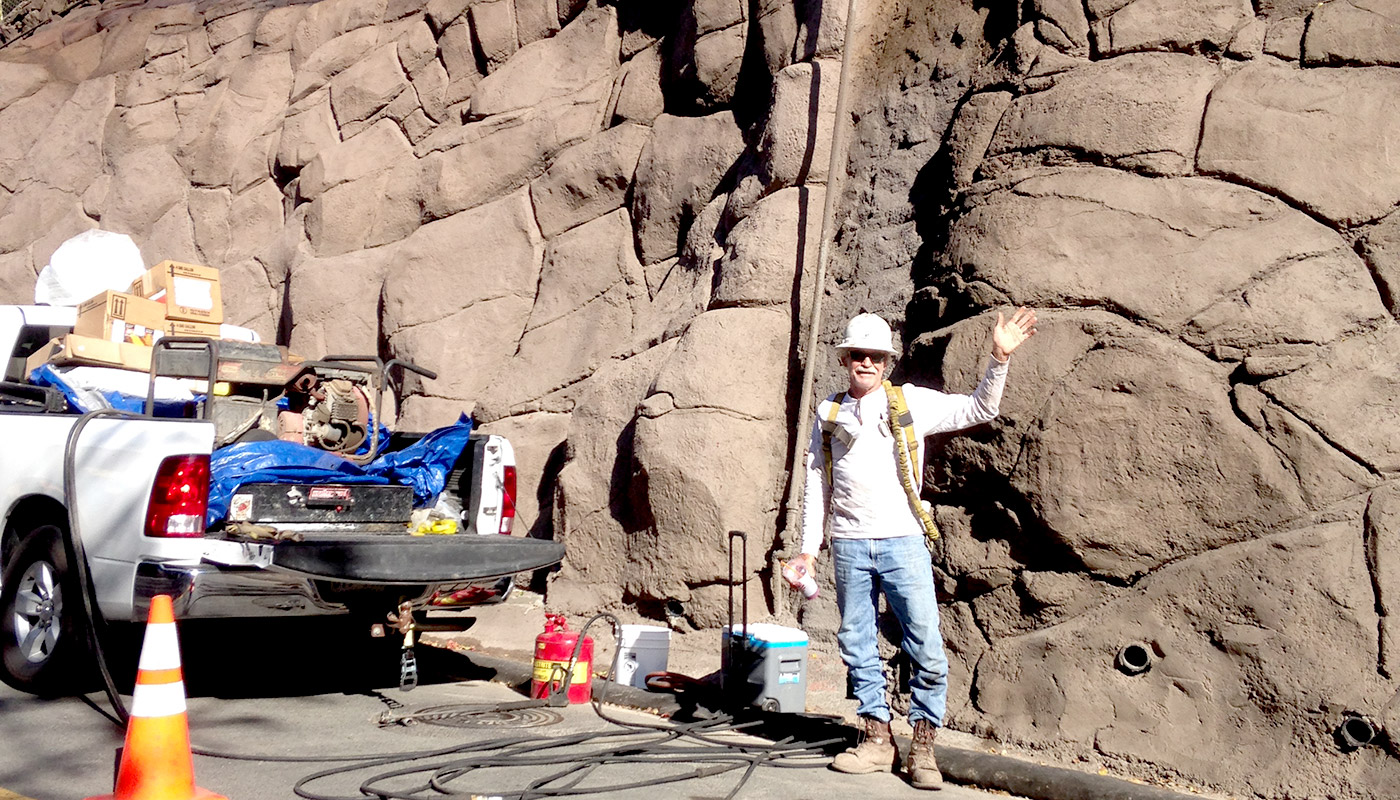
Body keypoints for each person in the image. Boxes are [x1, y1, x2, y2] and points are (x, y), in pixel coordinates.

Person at [795, 308, 1037, 790]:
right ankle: (876, 740)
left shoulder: (910, 403)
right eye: (858, 355)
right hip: (848, 544)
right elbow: (816, 483)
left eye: (875, 356)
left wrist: (999, 358)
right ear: (846, 359)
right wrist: (808, 549)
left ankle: (923, 748)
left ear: (887, 361)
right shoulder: (828, 412)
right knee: (857, 643)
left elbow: (978, 410)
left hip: (903, 542)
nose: (866, 363)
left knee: (924, 642)